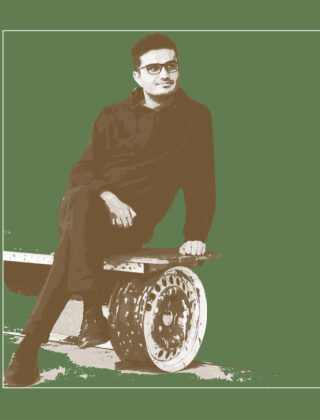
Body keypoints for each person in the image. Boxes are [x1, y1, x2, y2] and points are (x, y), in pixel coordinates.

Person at [3, 33, 216, 387]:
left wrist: (195, 233)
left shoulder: (195, 117)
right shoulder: (111, 115)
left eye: (172, 65)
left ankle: (30, 349)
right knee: (83, 200)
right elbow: (81, 170)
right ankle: (89, 311)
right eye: (154, 68)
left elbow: (201, 179)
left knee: (70, 247)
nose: (165, 74)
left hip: (131, 224)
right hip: (90, 208)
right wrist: (108, 196)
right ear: (137, 75)